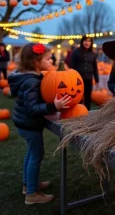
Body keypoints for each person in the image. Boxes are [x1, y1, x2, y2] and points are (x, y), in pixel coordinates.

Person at [8, 43, 71, 205]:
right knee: (37, 155)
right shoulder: (31, 81)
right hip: (29, 124)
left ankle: (28, 184)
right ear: (37, 61)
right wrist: (53, 106)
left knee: (31, 153)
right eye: (48, 59)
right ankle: (32, 194)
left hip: (23, 122)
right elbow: (31, 107)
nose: (51, 61)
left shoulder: (27, 76)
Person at [70, 36, 99, 110]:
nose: (87, 43)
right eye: (85, 41)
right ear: (82, 42)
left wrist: (97, 80)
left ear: (91, 43)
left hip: (89, 78)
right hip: (78, 79)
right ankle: (78, 111)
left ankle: (87, 111)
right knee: (79, 96)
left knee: (88, 96)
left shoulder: (93, 54)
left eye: (89, 41)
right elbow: (72, 66)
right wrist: (71, 78)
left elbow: (95, 68)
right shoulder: (76, 52)